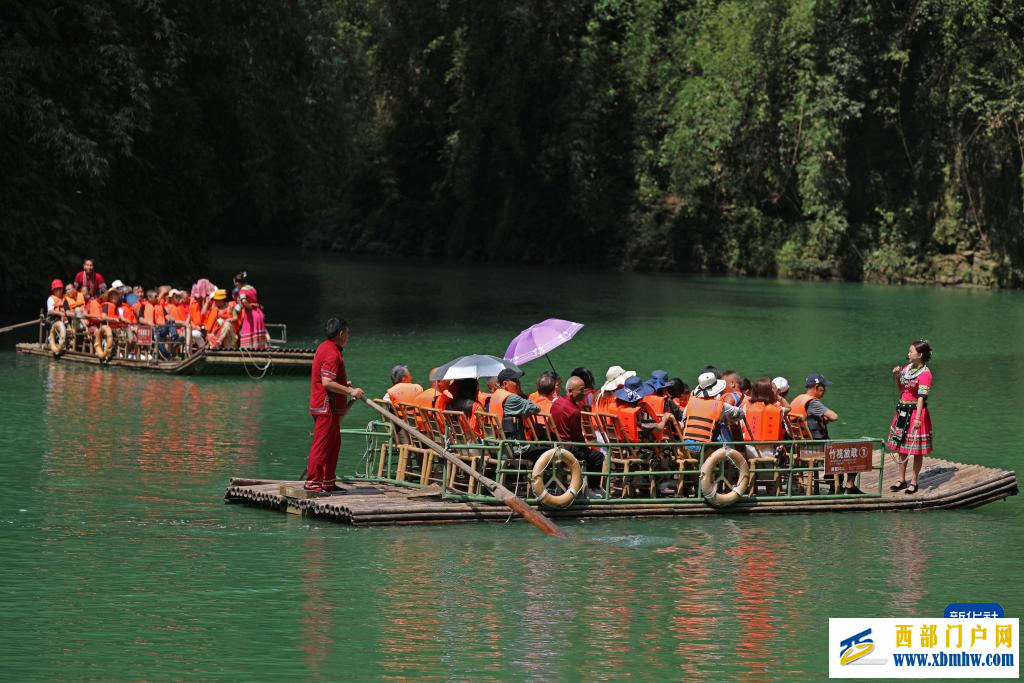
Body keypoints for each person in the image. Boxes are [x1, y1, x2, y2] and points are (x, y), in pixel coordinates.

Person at [304, 318, 364, 492]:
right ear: (341, 333)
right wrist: (350, 391)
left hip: (327, 405)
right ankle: (313, 482)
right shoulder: (332, 353)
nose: (348, 336)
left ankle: (328, 481)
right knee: (322, 444)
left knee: (333, 443)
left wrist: (344, 384)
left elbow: (330, 379)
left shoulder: (326, 347)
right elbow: (327, 382)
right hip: (326, 406)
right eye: (347, 333)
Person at [789, 373, 858, 493]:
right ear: (816, 387)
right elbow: (834, 416)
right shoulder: (813, 403)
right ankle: (849, 486)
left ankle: (833, 482)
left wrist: (822, 420)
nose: (825, 390)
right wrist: (827, 418)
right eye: (823, 387)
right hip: (816, 448)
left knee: (837, 447)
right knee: (854, 450)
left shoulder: (798, 399)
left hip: (802, 446)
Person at [887, 340, 934, 495]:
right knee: (901, 446)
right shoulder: (907, 369)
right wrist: (896, 376)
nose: (908, 354)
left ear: (920, 355)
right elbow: (901, 388)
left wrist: (918, 418)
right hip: (902, 410)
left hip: (916, 411)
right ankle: (901, 480)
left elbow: (921, 397)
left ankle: (914, 481)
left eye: (911, 351)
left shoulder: (925, 374)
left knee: (916, 450)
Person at [550, 376, 605, 497]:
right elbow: (577, 436)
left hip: (556, 445)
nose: (583, 393)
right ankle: (592, 488)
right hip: (568, 448)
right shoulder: (574, 410)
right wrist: (586, 447)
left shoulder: (556, 402)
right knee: (598, 456)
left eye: (584, 389)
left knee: (591, 453)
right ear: (570, 391)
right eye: (581, 390)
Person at [682, 372, 745, 452]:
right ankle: (729, 457)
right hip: (704, 448)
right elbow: (740, 413)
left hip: (686, 447)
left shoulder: (690, 403)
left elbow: (682, 423)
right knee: (720, 427)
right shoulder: (720, 405)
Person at [488, 368, 540, 440]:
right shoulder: (512, 398)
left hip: (499, 440)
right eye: (515, 381)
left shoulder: (495, 395)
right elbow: (536, 408)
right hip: (515, 446)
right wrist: (521, 392)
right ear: (505, 384)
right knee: (552, 450)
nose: (519, 383)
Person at [234, 272, 269, 349]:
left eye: (235, 283)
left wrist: (249, 307)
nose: (235, 285)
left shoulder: (242, 290)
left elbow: (244, 301)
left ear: (237, 283)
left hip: (251, 315)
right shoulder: (252, 288)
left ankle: (248, 355)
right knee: (257, 339)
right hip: (259, 313)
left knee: (248, 336)